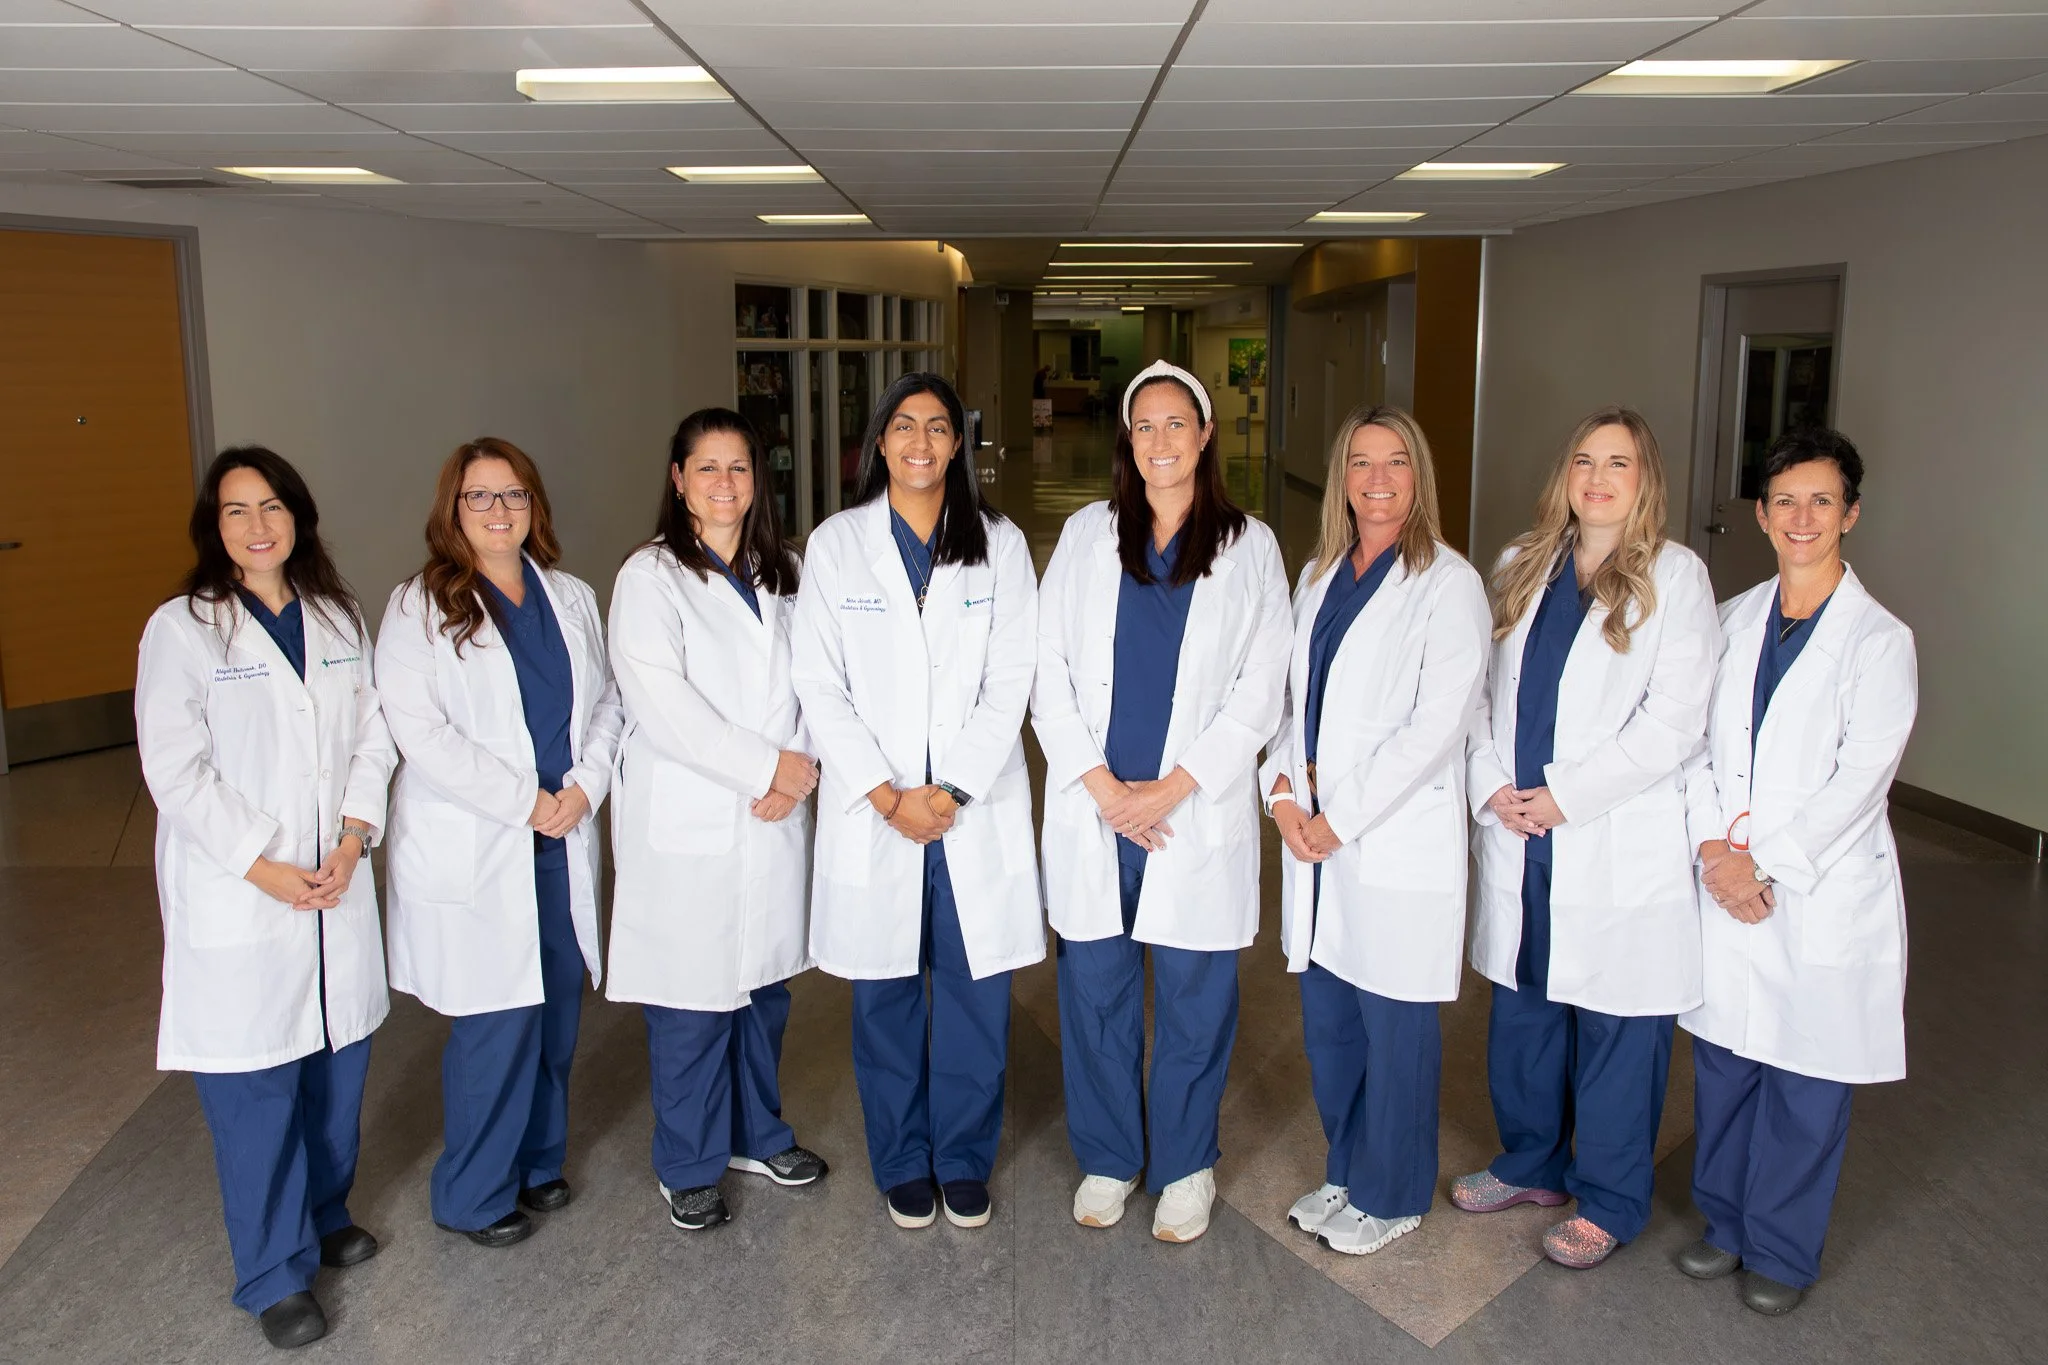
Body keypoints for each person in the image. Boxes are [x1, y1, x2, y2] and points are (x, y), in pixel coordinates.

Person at [136, 447, 396, 1350]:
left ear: (299, 517)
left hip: (336, 873)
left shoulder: (338, 615)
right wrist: (262, 864)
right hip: (246, 894)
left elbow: (376, 733)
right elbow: (176, 768)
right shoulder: (184, 629)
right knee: (255, 1089)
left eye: (272, 506)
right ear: (215, 527)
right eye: (237, 510)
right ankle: (273, 1273)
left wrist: (355, 833)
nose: (257, 526)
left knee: (334, 1068)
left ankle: (325, 1214)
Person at [1455, 407, 1720, 1269]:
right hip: (1520, 824)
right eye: (1584, 460)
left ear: (1647, 481)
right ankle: (1532, 1162)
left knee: (1616, 1024)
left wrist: (1565, 796)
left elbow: (1674, 723)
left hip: (1607, 831)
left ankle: (1608, 1197)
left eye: (1619, 462)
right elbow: (1480, 690)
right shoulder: (1519, 564)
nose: (1598, 478)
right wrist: (1494, 782)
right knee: (1526, 1008)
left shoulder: (1677, 578)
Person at [1032, 358, 1289, 1243]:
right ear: (1127, 440)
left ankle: (1185, 1165)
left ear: (1206, 434)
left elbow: (1263, 686)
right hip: (1098, 812)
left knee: (1192, 998)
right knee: (1095, 992)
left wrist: (1176, 786)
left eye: (1177, 423)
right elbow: (1048, 672)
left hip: (1192, 811)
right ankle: (1110, 1156)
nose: (1161, 440)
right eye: (1145, 425)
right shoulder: (1082, 536)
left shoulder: (1250, 545)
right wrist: (1103, 788)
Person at [790, 372, 1042, 1232]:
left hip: (970, 808)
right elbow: (819, 684)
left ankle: (963, 1158)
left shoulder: (999, 543)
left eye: (939, 428)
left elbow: (1014, 676)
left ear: (958, 445)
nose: (922, 443)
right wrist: (887, 795)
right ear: (878, 443)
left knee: (975, 997)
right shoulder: (835, 544)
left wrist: (953, 786)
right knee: (886, 999)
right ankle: (902, 1160)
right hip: (882, 812)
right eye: (905, 426)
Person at [1674, 428, 1917, 1315]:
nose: (1802, 517)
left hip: (1815, 890)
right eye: (1786, 501)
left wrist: (1761, 866)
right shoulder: (1733, 620)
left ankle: (1781, 1246)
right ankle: (1726, 1224)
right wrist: (1712, 849)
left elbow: (1861, 778)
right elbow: (1694, 747)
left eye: (1822, 500)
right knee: (1728, 1064)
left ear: (1849, 513)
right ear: (1762, 514)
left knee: (1805, 1079)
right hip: (1728, 876)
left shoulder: (1880, 641)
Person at [375, 438, 623, 1250]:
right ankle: (473, 1192)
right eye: (478, 497)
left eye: (512, 494)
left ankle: (539, 1162)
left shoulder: (574, 597)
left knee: (554, 1016)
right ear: (452, 509)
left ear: (534, 506)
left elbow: (608, 704)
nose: (497, 510)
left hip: (559, 839)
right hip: (485, 842)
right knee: (495, 1029)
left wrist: (583, 786)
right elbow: (420, 732)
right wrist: (527, 801)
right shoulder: (418, 605)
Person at [1257, 406, 1491, 1256]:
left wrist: (1336, 817)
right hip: (1318, 843)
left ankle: (1393, 1195)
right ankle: (1349, 1168)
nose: (1379, 479)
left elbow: (1437, 729)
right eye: (1362, 462)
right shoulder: (1318, 574)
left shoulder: (1449, 583)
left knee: (1397, 1033)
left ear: (1418, 476)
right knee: (1332, 1027)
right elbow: (1290, 708)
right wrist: (1283, 794)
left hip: (1390, 844)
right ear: (1342, 477)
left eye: (1397, 462)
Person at [606, 408, 829, 1233]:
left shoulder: (787, 570)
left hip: (774, 809)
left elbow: (821, 678)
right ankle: (689, 1163)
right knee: (693, 1004)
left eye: (739, 468)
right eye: (707, 468)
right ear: (678, 480)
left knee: (763, 994)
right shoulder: (649, 578)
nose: (725, 484)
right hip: (697, 816)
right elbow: (663, 705)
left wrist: (798, 765)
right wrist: (765, 766)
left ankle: (756, 1135)